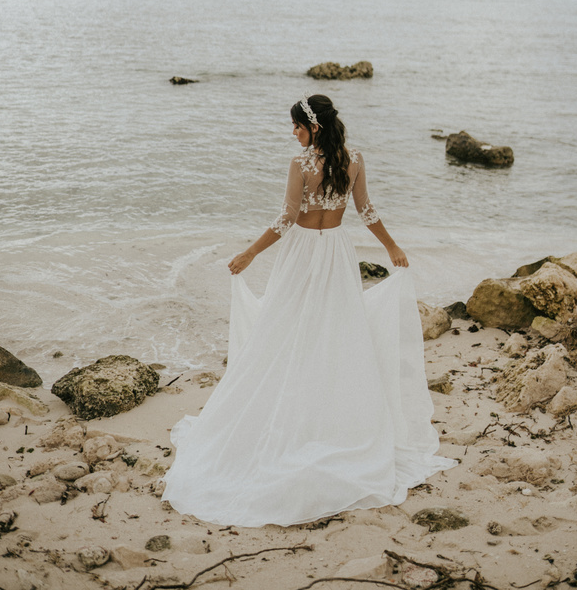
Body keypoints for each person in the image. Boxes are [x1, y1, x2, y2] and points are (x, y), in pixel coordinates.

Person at [162, 93, 455, 527]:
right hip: (336, 250)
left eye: (297, 126)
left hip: (302, 252)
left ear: (313, 127)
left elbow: (286, 220)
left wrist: (248, 254)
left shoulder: (301, 164)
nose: (293, 133)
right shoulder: (353, 158)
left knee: (300, 328)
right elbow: (365, 212)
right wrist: (389, 245)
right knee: (321, 329)